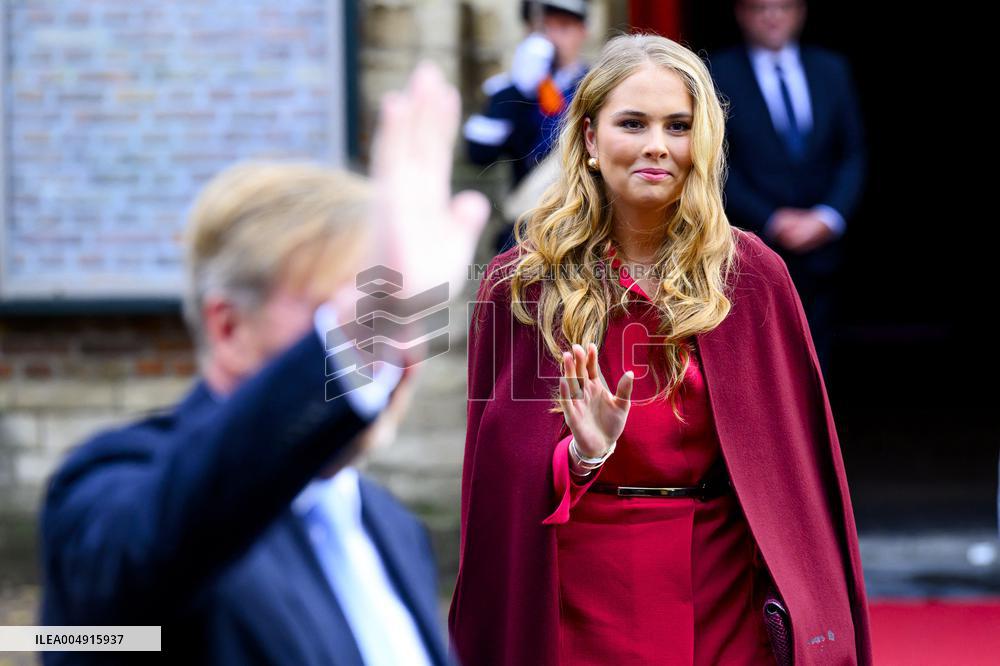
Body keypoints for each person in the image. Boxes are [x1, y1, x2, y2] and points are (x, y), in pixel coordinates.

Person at [39, 63, 488, 665]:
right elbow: (96, 619)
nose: (399, 355)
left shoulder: (391, 527)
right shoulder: (114, 489)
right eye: (355, 309)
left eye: (406, 313)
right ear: (228, 326)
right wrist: (350, 346)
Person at [450, 34, 871, 665]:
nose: (657, 145)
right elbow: (495, 478)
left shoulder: (753, 274)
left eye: (678, 125)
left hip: (725, 597)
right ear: (590, 140)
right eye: (632, 123)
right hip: (577, 601)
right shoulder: (522, 282)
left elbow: (793, 469)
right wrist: (582, 454)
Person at [710, 0, 866, 374]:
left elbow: (853, 152)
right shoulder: (717, 72)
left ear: (800, 12)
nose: (772, 16)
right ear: (741, 13)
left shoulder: (832, 69)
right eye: (760, 7)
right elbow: (714, 160)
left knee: (819, 359)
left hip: (824, 246)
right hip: (751, 242)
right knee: (759, 359)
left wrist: (829, 216)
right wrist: (772, 218)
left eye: (783, 6)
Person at [464, 0, 589, 254]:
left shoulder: (596, 87)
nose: (552, 38)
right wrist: (517, 92)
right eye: (543, 29)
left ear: (582, 32)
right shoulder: (509, 90)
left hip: (582, 227)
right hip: (526, 227)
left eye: (564, 27)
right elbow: (479, 155)